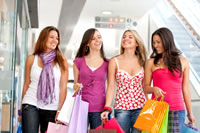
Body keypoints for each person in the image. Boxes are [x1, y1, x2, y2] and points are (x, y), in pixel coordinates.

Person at [144, 27, 195, 132]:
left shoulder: (183, 61)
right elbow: (145, 87)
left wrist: (190, 112)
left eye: (158, 42)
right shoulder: (150, 62)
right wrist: (154, 89)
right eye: (154, 42)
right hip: (156, 109)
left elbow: (186, 89)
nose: (155, 45)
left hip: (176, 110)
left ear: (167, 40)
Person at [19, 26, 68, 133]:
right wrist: (20, 110)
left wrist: (60, 110)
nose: (55, 40)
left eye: (57, 38)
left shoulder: (62, 60)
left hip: (52, 107)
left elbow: (63, 87)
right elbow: (26, 84)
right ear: (43, 38)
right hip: (31, 102)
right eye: (51, 37)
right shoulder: (31, 59)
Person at [101, 30, 147, 133]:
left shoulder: (143, 61)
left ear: (137, 43)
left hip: (141, 107)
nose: (126, 39)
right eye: (124, 36)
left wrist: (149, 107)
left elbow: (145, 86)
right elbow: (111, 86)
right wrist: (107, 108)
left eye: (130, 37)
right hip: (121, 108)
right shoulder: (114, 61)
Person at [73, 28, 108, 129]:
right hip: (81, 107)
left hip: (99, 108)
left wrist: (107, 108)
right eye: (93, 39)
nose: (97, 40)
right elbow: (75, 85)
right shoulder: (78, 62)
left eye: (99, 37)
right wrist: (76, 86)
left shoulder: (108, 63)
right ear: (87, 43)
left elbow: (110, 86)